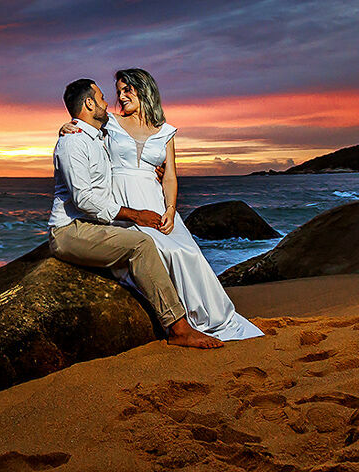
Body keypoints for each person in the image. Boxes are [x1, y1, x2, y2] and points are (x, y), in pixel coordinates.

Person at [61, 69, 263, 342]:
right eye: (118, 91)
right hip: (123, 198)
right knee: (159, 249)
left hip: (155, 199)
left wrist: (170, 210)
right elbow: (84, 126)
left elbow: (169, 175)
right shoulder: (110, 122)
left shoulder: (166, 132)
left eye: (126, 89)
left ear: (144, 90)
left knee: (186, 253)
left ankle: (207, 319)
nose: (120, 96)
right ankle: (178, 322)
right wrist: (64, 127)